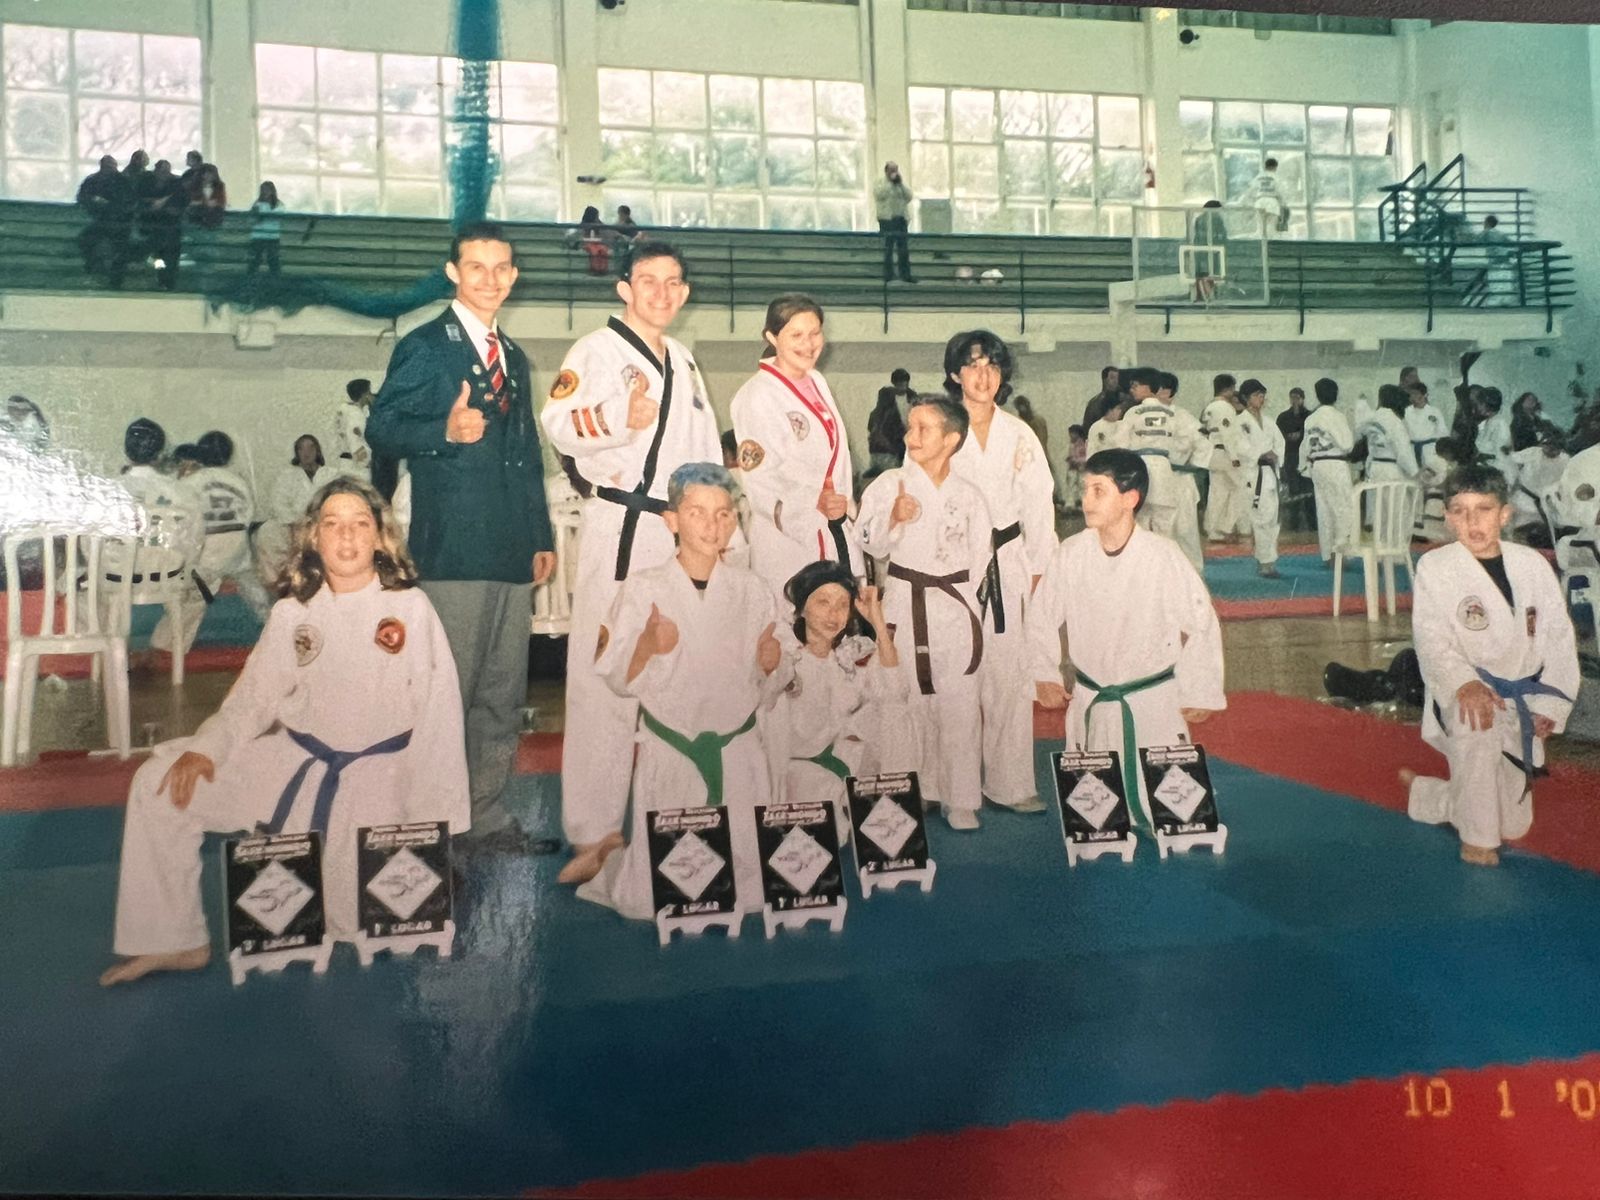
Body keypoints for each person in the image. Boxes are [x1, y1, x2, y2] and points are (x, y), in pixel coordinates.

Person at [98, 478, 470, 986]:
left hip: (379, 781)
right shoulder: (293, 613)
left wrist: (435, 820)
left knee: (348, 924)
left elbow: (440, 716)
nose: (346, 537)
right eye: (332, 524)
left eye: (360, 524)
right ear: (312, 538)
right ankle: (174, 940)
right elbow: (252, 700)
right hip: (295, 763)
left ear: (382, 538)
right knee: (158, 782)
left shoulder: (410, 609)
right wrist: (207, 749)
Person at [366, 220, 555, 856]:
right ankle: (432, 824)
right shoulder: (426, 345)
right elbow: (383, 428)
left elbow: (526, 454)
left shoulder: (517, 358)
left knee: (502, 696)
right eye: (477, 267)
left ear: (514, 276)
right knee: (449, 693)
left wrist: (539, 533)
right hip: (451, 548)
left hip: (509, 548)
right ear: (453, 272)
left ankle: (486, 815)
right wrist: (444, 432)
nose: (491, 279)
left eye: (502, 268)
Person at [539, 241, 725, 882]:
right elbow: (557, 422)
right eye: (648, 281)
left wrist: (719, 528)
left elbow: (707, 457)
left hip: (679, 530)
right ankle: (593, 830)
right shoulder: (596, 350)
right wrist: (621, 414)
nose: (661, 293)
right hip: (620, 524)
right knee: (604, 673)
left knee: (676, 668)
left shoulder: (686, 360)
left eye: (674, 283)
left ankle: (669, 812)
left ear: (684, 292)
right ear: (625, 288)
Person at [576, 463, 791, 919]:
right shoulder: (643, 588)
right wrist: (647, 647)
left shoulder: (755, 591)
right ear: (671, 520)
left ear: (735, 521)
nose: (712, 526)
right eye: (697, 513)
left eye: (723, 514)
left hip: (737, 752)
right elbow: (615, 674)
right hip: (674, 748)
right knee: (653, 897)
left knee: (749, 891)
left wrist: (772, 664)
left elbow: (772, 681)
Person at [1028, 449, 1225, 835]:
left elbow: (1201, 622)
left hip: (1152, 703)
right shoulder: (1071, 555)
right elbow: (1039, 618)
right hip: (1093, 699)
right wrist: (1043, 673)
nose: (1086, 500)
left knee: (1176, 823)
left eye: (1098, 491)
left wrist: (1198, 689)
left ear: (1130, 498)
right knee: (1097, 828)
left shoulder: (1162, 556)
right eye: (1085, 490)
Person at [1402, 465, 1578, 866]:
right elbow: (1431, 639)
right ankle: (1477, 840)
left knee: (1514, 823)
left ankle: (1433, 796)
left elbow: (1558, 637)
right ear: (1446, 516)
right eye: (1459, 511)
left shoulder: (1532, 563)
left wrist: (1551, 706)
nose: (1471, 521)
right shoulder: (1437, 567)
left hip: (1524, 695)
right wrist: (1463, 683)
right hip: (1467, 691)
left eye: (1483, 509)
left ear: (1505, 514)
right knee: (1476, 723)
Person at [856, 397, 992, 829]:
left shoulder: (970, 495)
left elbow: (980, 558)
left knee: (959, 702)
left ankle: (962, 797)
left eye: (923, 429)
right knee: (902, 701)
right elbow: (868, 543)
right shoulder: (888, 485)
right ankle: (908, 790)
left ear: (951, 440)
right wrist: (893, 518)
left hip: (953, 605)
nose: (910, 436)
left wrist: (972, 610)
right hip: (902, 598)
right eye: (910, 427)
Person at [947, 330, 1057, 816]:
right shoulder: (938, 428)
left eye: (992, 365)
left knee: (1010, 673)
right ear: (955, 374)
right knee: (957, 677)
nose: (983, 375)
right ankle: (956, 788)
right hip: (951, 567)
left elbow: (1039, 505)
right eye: (973, 365)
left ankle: (1010, 782)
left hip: (1008, 560)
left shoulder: (1020, 432)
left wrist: (1038, 568)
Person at [731, 294, 861, 597]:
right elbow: (759, 479)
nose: (809, 343)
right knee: (792, 629)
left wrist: (842, 506)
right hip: (788, 537)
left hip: (832, 523)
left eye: (815, 333)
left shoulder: (817, 381)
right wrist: (813, 504)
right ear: (772, 337)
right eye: (797, 335)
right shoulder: (756, 396)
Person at [765, 563, 907, 837]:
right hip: (792, 772)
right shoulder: (786, 656)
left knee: (895, 717)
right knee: (832, 837)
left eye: (842, 604)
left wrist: (877, 622)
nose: (833, 614)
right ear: (802, 607)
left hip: (838, 763)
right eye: (823, 602)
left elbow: (895, 691)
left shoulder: (846, 656)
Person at [150, 430, 271, 657]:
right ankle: (272, 623)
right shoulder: (239, 481)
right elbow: (247, 517)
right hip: (238, 550)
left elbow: (179, 521)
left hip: (205, 552)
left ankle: (165, 647)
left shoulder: (190, 482)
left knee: (191, 595)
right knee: (253, 587)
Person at [258, 434, 340, 585]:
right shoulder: (287, 476)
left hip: (323, 524)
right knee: (267, 531)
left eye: (311, 447)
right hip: (294, 525)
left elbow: (337, 500)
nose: (306, 452)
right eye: (301, 448)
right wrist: (296, 523)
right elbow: (278, 502)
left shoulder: (331, 474)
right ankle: (281, 583)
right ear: (297, 453)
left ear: (318, 451)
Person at [1304, 377, 1358, 562]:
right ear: (1336, 394)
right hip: (1335, 464)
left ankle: (1327, 555)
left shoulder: (1311, 418)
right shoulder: (1336, 416)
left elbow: (1306, 448)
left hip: (1317, 465)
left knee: (1324, 510)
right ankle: (1341, 554)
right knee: (1343, 508)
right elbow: (1347, 444)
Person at [1236, 379, 1286, 578]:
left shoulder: (1270, 421)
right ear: (1246, 398)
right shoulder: (1240, 422)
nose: (1261, 399)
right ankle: (1265, 561)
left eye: (1262, 395)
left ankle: (1269, 559)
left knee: (1273, 518)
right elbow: (1240, 448)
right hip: (1253, 475)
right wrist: (1262, 453)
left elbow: (1280, 444)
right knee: (1261, 518)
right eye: (1257, 395)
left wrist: (1274, 455)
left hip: (1270, 475)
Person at [1202, 374, 1249, 542]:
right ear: (1228, 388)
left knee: (1217, 493)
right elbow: (1227, 434)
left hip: (1213, 453)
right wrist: (1234, 457)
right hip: (1225, 454)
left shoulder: (1209, 407)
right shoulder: (1225, 408)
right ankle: (1225, 525)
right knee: (1244, 488)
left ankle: (1212, 529)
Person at [76, 155, 135, 288]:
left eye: (112, 166)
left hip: (120, 222)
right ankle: (95, 267)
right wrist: (94, 200)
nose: (111, 169)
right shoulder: (92, 180)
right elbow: (82, 196)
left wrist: (111, 206)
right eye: (108, 166)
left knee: (120, 250)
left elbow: (129, 202)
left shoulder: (123, 181)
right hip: (100, 220)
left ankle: (116, 280)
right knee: (85, 240)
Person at [1507, 430, 1569, 543]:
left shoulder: (1566, 460)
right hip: (1522, 499)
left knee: (1539, 535)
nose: (1550, 449)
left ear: (1561, 448)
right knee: (1513, 530)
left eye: (1555, 447)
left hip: (1545, 505)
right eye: (1547, 445)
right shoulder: (1533, 452)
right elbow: (1512, 459)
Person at [1358, 385, 1420, 484]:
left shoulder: (1371, 418)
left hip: (1373, 468)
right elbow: (1403, 453)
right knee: (1392, 499)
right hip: (1391, 470)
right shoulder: (1394, 421)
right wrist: (1415, 473)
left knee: (1375, 499)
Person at [140, 159, 186, 291]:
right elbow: (140, 201)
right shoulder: (146, 183)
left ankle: (169, 282)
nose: (164, 174)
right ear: (156, 171)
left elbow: (180, 203)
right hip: (153, 228)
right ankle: (161, 279)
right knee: (158, 257)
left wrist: (163, 206)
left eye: (166, 171)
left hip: (172, 228)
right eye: (161, 171)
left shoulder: (176, 184)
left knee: (171, 258)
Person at [1276, 386, 1313, 532]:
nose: (1295, 401)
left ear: (1303, 399)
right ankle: (1294, 525)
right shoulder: (1283, 417)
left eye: (1297, 397)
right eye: (1292, 397)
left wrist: (1300, 435)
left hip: (1306, 458)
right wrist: (1288, 437)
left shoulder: (1310, 416)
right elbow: (1278, 437)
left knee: (1309, 491)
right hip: (1291, 457)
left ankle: (1312, 524)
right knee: (1294, 492)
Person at [873, 161, 915, 284]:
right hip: (887, 219)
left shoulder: (900, 184)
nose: (894, 172)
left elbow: (909, 196)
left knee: (903, 249)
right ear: (886, 171)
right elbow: (879, 195)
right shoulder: (880, 183)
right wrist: (890, 183)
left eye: (896, 169)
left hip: (900, 219)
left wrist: (900, 184)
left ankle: (905, 275)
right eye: (891, 170)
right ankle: (888, 274)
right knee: (888, 248)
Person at [867, 368, 913, 476]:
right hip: (890, 446)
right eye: (899, 382)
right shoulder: (886, 400)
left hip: (908, 442)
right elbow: (876, 423)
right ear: (894, 383)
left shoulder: (913, 398)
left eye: (904, 382)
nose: (902, 385)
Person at [1192, 200, 1229, 302]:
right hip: (1210, 252)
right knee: (1209, 274)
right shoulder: (1216, 219)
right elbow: (1222, 235)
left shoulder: (1199, 219)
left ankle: (1202, 295)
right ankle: (1208, 295)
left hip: (1202, 252)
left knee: (1202, 274)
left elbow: (1197, 237)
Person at [338, 378, 374, 480]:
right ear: (364, 394)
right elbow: (355, 441)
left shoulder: (346, 413)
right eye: (369, 392)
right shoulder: (355, 415)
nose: (371, 395)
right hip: (357, 468)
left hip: (348, 465)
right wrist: (367, 462)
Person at [1475, 387, 1514, 477]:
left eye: (1480, 403)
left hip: (1498, 473)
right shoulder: (1488, 421)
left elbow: (1502, 456)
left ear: (1487, 405)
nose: (1477, 406)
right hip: (1485, 469)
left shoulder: (1500, 423)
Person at [247, 181, 283, 275]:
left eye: (267, 190)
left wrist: (262, 217)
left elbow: (280, 217)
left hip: (272, 236)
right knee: (255, 259)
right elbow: (251, 220)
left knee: (273, 259)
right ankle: (251, 279)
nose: (265, 192)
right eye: (263, 190)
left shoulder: (279, 205)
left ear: (272, 191)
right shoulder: (257, 205)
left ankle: (275, 280)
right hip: (259, 236)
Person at [1250, 157, 1288, 235]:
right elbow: (1280, 192)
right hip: (1272, 203)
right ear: (1275, 167)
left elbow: (1252, 190)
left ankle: (1261, 244)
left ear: (1265, 166)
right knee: (1271, 228)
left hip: (1260, 202)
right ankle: (1270, 245)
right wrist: (1283, 204)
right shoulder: (1276, 177)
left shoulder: (1258, 177)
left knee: (1260, 228)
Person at [577, 206, 611, 276]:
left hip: (597, 243)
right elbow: (579, 236)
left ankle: (602, 269)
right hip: (586, 243)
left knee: (603, 249)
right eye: (597, 216)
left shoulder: (599, 224)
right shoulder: (582, 226)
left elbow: (609, 231)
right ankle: (595, 269)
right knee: (593, 251)